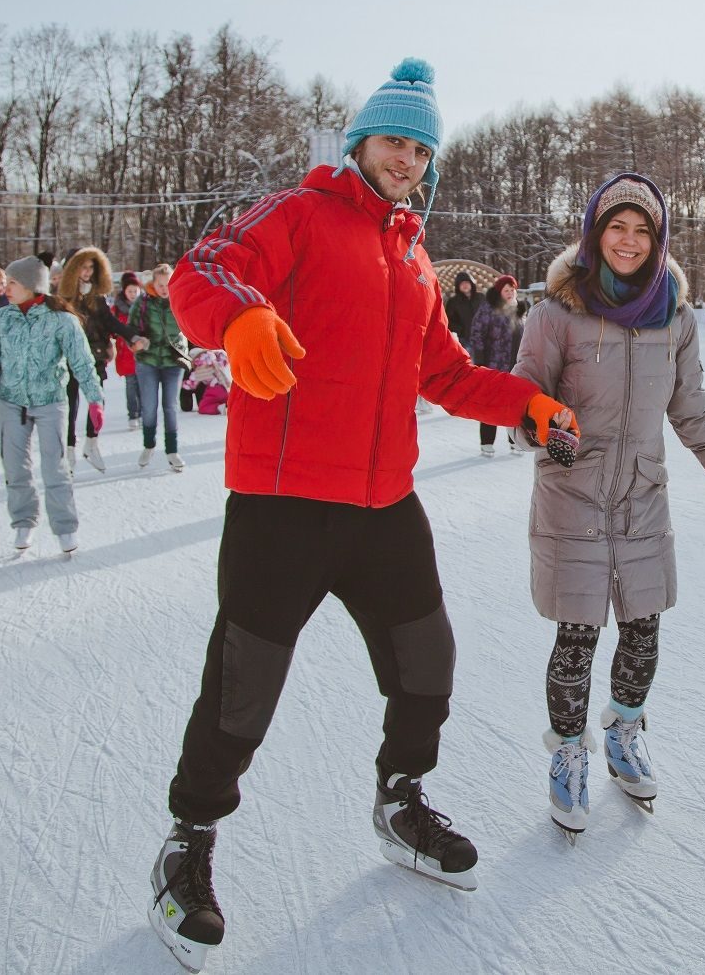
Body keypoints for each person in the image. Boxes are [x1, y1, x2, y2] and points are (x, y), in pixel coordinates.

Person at [152, 57, 577, 973]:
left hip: (385, 505)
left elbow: (447, 373)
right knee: (243, 689)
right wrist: (239, 320)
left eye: (422, 149)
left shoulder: (413, 256)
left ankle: (401, 797)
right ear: (360, 141)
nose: (408, 160)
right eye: (395, 141)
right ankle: (189, 841)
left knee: (428, 664)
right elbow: (204, 269)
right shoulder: (299, 213)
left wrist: (528, 408)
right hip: (282, 504)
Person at [512, 172, 705, 839]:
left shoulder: (675, 318)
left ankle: (624, 731)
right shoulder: (555, 314)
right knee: (578, 635)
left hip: (644, 499)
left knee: (645, 629)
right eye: (616, 227)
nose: (628, 241)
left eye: (641, 230)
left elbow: (692, 409)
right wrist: (543, 427)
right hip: (574, 498)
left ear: (658, 240)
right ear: (595, 233)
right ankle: (568, 753)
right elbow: (518, 402)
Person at [0, 255, 102, 554]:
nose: (7, 287)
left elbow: (82, 362)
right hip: (11, 402)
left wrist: (95, 399)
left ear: (32, 285)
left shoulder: (61, 320)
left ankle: (65, 527)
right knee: (15, 467)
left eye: (13, 282)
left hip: (50, 402)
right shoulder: (2, 318)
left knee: (55, 467)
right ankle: (23, 522)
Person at [58, 248, 145, 472]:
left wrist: (131, 335)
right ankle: (69, 449)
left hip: (95, 356)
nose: (87, 272)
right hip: (69, 358)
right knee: (71, 403)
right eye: (82, 267)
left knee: (98, 401)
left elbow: (110, 322)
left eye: (90, 267)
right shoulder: (62, 297)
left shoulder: (96, 296)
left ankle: (91, 443)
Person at [129, 265, 190, 471]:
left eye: (168, 284)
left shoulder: (180, 299)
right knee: (149, 405)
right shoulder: (144, 302)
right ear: (153, 284)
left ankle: (172, 450)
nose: (165, 289)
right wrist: (137, 341)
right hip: (148, 360)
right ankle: (148, 445)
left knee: (171, 406)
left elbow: (192, 325)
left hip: (173, 361)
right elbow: (131, 328)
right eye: (160, 285)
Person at [467, 274, 524, 456]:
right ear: (499, 292)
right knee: (491, 404)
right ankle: (487, 442)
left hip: (515, 366)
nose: (510, 293)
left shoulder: (518, 309)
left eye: (512, 290)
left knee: (514, 404)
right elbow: (477, 335)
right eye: (506, 290)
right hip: (493, 365)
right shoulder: (488, 309)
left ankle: (514, 441)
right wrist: (481, 362)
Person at [111, 271, 145, 430]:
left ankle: (145, 414)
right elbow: (111, 327)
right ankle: (133, 415)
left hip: (144, 353)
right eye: (129, 291)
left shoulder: (145, 306)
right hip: (126, 354)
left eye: (135, 291)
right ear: (124, 292)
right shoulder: (117, 309)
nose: (132, 294)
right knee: (131, 386)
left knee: (144, 386)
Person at [444, 270, 483, 348]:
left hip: (482, 338)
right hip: (465, 340)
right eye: (462, 283)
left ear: (471, 284)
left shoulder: (481, 298)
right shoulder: (453, 302)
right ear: (458, 286)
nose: (465, 285)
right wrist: (461, 331)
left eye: (467, 283)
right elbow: (448, 320)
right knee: (469, 359)